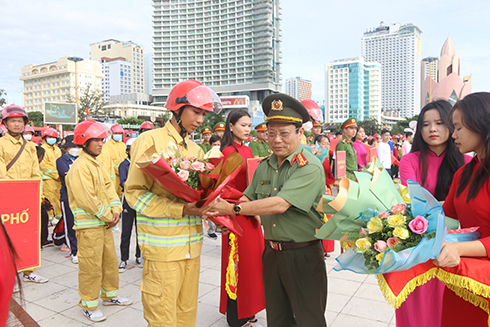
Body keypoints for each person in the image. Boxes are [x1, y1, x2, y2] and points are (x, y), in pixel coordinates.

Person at [208, 93, 327, 327]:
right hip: (271, 253)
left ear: (300, 133)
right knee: (278, 318)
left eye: (284, 134)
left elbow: (280, 204)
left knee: (308, 319)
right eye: (271, 133)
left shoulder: (309, 166)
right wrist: (223, 218)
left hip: (302, 254)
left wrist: (233, 208)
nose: (276, 140)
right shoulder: (266, 164)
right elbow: (247, 195)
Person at [124, 80, 221, 326]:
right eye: (196, 112)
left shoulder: (196, 150)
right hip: (162, 249)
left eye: (204, 114)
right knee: (163, 315)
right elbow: (134, 193)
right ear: (177, 110)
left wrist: (208, 204)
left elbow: (198, 191)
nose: (200, 120)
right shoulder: (149, 142)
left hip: (192, 247)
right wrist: (179, 208)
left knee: (187, 312)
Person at [397, 100, 471, 327]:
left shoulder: (468, 161)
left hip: (458, 245)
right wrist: (445, 205)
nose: (432, 129)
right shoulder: (410, 160)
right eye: (426, 124)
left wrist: (436, 206)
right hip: (418, 242)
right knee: (418, 308)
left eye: (439, 123)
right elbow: (413, 203)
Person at [431, 92, 490, 326]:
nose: (453, 135)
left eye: (458, 127)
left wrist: (459, 248)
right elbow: (448, 213)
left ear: (481, 124)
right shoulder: (464, 173)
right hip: (464, 275)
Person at [66, 120, 132, 322]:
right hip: (89, 227)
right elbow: (88, 200)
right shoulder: (80, 167)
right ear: (84, 142)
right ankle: (88, 303)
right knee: (91, 267)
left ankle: (110, 295)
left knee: (109, 263)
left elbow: (110, 188)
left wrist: (116, 209)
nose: (101, 144)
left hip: (103, 225)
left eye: (102, 140)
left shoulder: (97, 164)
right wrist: (108, 215)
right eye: (97, 140)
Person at [219, 109, 265, 327]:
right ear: (231, 126)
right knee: (236, 264)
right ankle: (236, 316)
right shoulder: (228, 152)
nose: (247, 129)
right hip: (237, 213)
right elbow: (224, 188)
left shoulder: (247, 149)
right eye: (243, 125)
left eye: (249, 125)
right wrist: (247, 203)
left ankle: (249, 308)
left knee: (252, 264)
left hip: (251, 211)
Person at [0, 104, 48, 284]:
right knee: (7, 237)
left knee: (29, 235)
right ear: (5, 123)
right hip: (9, 199)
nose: (17, 124)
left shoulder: (29, 147)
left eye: (19, 121)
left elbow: (36, 173)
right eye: (13, 121)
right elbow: (1, 174)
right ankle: (9, 274)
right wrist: (9, 196)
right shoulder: (1, 144)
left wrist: (39, 194)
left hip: (28, 198)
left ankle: (29, 271)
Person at [56, 135, 81, 264]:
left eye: (77, 147)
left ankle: (80, 248)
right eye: (72, 147)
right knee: (70, 224)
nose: (75, 149)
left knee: (79, 224)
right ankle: (73, 251)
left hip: (80, 196)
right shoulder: (61, 161)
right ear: (66, 148)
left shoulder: (79, 160)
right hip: (67, 196)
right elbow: (67, 178)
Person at [118, 137, 142, 272]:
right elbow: (123, 182)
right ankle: (124, 259)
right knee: (126, 231)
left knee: (141, 230)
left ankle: (139, 255)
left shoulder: (141, 164)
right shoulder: (124, 165)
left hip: (140, 200)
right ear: (127, 151)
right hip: (128, 199)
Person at [40, 127, 62, 220]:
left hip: (58, 179)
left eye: (53, 137)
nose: (51, 139)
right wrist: (56, 176)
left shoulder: (57, 149)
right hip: (48, 178)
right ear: (45, 138)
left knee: (58, 196)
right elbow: (43, 165)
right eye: (49, 137)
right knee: (50, 197)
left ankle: (59, 214)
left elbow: (60, 162)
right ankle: (50, 216)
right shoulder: (43, 149)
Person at [105, 124, 127, 197]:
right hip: (113, 175)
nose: (118, 135)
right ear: (112, 133)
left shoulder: (123, 145)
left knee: (122, 194)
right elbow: (107, 161)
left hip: (123, 175)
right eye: (116, 133)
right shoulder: (107, 146)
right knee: (113, 194)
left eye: (120, 134)